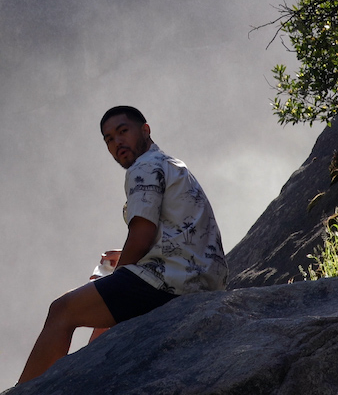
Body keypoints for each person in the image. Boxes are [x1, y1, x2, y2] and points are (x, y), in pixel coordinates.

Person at [16, 105, 228, 384]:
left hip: (175, 283)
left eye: (123, 131)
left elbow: (142, 233)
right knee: (104, 324)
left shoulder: (145, 166)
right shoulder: (171, 164)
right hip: (202, 278)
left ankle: (24, 391)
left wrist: (119, 276)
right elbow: (173, 231)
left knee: (62, 310)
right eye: (109, 139)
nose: (117, 143)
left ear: (145, 130)